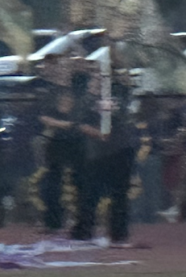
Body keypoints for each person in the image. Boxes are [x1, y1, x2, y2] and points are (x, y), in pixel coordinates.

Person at [70, 58, 138, 246]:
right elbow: (78, 122)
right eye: (95, 75)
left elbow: (124, 116)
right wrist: (97, 133)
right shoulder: (84, 98)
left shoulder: (119, 94)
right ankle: (84, 230)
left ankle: (119, 233)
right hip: (96, 153)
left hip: (120, 150)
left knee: (120, 195)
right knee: (89, 194)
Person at [33, 50, 84, 233]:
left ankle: (81, 219)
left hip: (78, 140)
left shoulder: (79, 89)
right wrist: (66, 124)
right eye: (61, 66)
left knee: (80, 181)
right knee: (53, 181)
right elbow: (44, 117)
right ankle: (53, 220)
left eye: (67, 67)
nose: (64, 70)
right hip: (57, 140)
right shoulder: (49, 92)